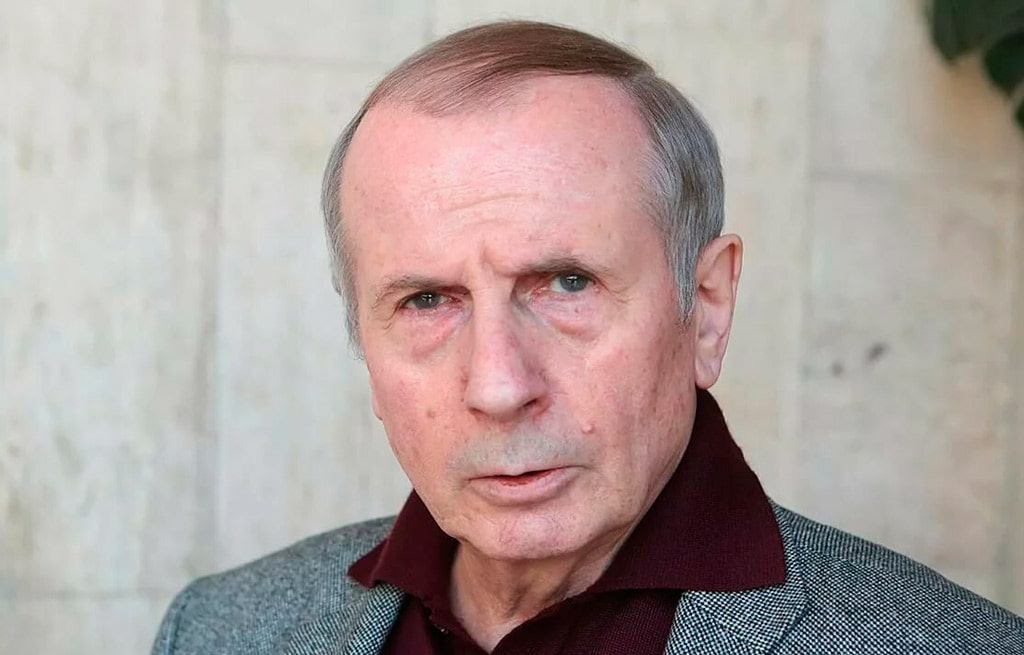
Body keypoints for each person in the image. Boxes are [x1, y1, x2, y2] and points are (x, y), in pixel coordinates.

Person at [152, 21, 1024, 655]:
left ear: (706, 307)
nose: (498, 384)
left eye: (567, 283)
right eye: (426, 300)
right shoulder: (220, 630)